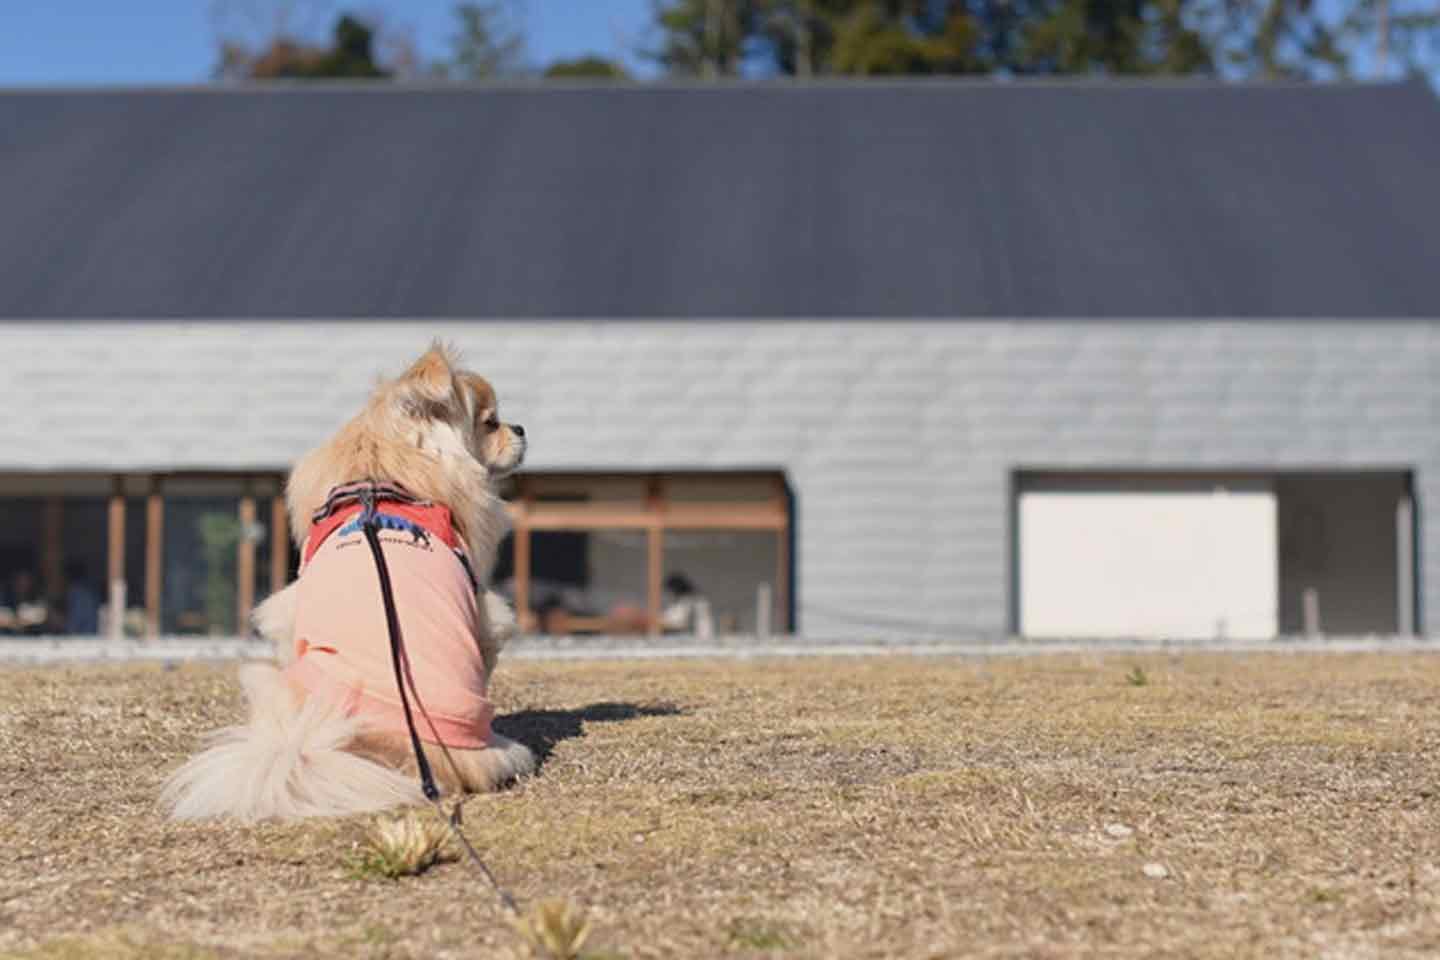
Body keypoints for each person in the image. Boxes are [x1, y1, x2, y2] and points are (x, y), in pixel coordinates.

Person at [64, 561, 101, 635]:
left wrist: (53, 619)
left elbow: (73, 626)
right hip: (91, 637)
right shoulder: (89, 591)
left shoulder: (78, 593)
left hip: (85, 639)